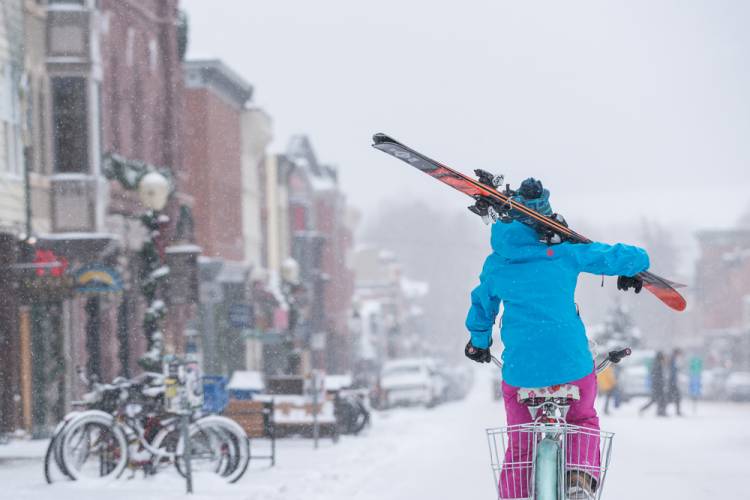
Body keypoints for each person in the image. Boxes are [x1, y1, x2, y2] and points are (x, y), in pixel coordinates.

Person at [464, 178, 650, 499]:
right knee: (582, 419)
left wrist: (479, 342)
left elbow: (482, 307)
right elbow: (623, 255)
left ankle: (516, 494)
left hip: (522, 370)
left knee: (521, 440)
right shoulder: (565, 254)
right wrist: (635, 266)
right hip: (571, 364)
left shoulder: (497, 265)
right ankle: (578, 480)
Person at [639, 351, 667, 416]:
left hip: (656, 385)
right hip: (658, 386)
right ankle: (660, 412)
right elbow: (657, 376)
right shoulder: (658, 364)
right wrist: (661, 383)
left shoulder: (656, 363)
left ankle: (660, 412)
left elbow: (655, 375)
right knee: (658, 399)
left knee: (658, 399)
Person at [667, 348, 683, 416]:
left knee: (674, 397)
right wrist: (673, 381)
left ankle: (677, 411)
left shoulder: (672, 359)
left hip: (672, 382)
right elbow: (672, 372)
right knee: (676, 397)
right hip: (672, 382)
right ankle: (677, 411)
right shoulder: (673, 360)